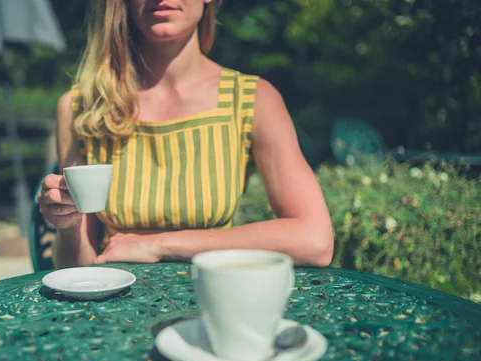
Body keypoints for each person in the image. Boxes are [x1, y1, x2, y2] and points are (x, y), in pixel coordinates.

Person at [38, 0, 334, 268]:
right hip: (113, 307)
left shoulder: (252, 100)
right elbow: (77, 268)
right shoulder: (81, 107)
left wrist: (158, 245)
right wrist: (69, 226)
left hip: (214, 299)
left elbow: (315, 240)